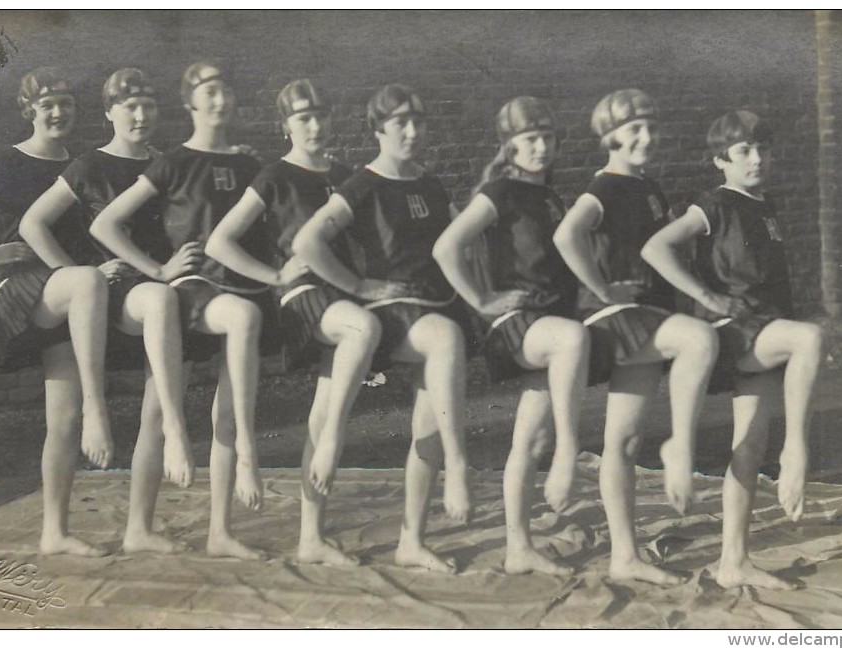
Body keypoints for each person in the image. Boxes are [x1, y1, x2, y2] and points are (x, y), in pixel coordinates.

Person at [0, 67, 113, 556]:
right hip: (23, 289)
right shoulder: (6, 162)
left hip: (70, 295)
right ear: (28, 109)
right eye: (47, 104)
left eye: (66, 103)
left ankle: (55, 531)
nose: (58, 112)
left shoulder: (83, 162)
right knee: (87, 281)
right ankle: (101, 405)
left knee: (63, 419)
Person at [91, 61, 267, 559]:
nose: (220, 100)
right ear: (190, 103)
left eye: (226, 89)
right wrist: (158, 269)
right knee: (157, 409)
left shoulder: (253, 164)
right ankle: (139, 526)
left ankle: (220, 532)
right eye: (208, 91)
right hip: (191, 289)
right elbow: (106, 225)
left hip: (238, 288)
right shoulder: (171, 163)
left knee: (228, 409)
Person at [293, 83, 471, 573]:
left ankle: (412, 539)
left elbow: (462, 237)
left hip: (428, 308)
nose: (412, 133)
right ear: (378, 130)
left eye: (419, 123)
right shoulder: (363, 185)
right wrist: (356, 283)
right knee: (326, 417)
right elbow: (307, 242)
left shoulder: (431, 185)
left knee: (434, 402)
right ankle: (312, 534)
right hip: (382, 311)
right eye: (400, 124)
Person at [19, 68, 197, 554]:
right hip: (111, 293)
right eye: (129, 107)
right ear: (109, 113)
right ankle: (56, 528)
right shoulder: (88, 166)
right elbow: (33, 223)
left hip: (155, 290)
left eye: (149, 107)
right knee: (69, 413)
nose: (140, 116)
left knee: (158, 398)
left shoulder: (166, 164)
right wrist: (73, 269)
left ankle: (140, 527)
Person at [642, 110, 821, 589]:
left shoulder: (765, 205)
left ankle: (733, 562)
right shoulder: (712, 204)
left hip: (762, 329)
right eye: (744, 152)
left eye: (764, 149)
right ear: (721, 159)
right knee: (810, 338)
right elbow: (656, 248)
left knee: (749, 446)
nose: (757, 159)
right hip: (734, 329)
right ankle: (797, 452)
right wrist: (703, 297)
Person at [206, 79, 382, 565]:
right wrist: (274, 276)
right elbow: (220, 242)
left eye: (321, 114)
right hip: (302, 299)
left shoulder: (346, 176)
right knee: (361, 333)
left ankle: (311, 538)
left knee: (325, 411)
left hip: (341, 293)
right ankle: (327, 446)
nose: (315, 125)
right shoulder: (273, 177)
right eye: (303, 117)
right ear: (285, 125)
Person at [553, 88, 718, 584]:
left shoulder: (649, 187)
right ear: (610, 137)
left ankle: (624, 555)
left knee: (622, 441)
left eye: (651, 127)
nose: (646, 137)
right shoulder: (603, 187)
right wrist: (600, 289)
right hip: (619, 316)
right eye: (634, 130)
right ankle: (680, 449)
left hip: (643, 316)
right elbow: (566, 235)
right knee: (698, 340)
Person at [433, 97, 587, 576]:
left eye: (547, 139)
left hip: (548, 320)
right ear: (509, 146)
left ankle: (518, 547)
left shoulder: (552, 197)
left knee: (529, 438)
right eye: (529, 140)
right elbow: (447, 247)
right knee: (572, 339)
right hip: (515, 322)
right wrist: (480, 300)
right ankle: (570, 453)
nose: (540, 148)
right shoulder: (500, 191)